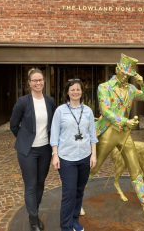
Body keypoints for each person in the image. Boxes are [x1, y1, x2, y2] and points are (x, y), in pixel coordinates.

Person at [85, 53, 144, 215]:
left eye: (128, 75)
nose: (125, 77)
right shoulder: (104, 87)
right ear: (117, 70)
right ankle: (75, 200)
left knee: (135, 169)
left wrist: (142, 85)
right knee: (94, 168)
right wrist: (124, 121)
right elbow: (105, 111)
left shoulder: (130, 88)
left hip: (124, 135)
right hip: (108, 132)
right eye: (123, 73)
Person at [10, 68, 56, 231]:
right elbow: (14, 125)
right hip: (27, 151)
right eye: (35, 80)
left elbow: (53, 126)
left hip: (44, 149)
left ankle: (33, 211)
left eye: (40, 80)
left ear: (44, 81)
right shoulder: (23, 102)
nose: (38, 83)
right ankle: (34, 219)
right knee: (30, 185)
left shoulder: (50, 101)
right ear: (29, 83)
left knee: (40, 184)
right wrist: (25, 140)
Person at [50, 79, 98, 231]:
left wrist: (93, 155)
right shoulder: (60, 111)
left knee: (79, 191)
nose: (75, 92)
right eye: (72, 89)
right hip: (66, 158)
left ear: (82, 92)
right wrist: (55, 155)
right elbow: (54, 134)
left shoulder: (88, 111)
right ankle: (66, 226)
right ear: (67, 92)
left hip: (84, 157)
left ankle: (75, 221)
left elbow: (92, 135)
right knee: (69, 193)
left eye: (78, 89)